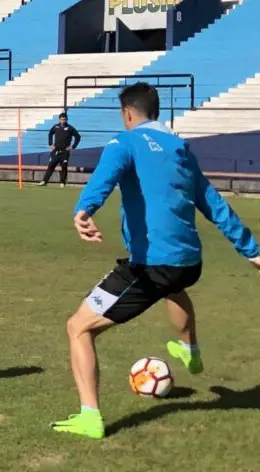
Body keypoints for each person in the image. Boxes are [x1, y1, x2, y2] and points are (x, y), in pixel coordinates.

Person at [52, 82, 260, 440]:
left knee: (78, 328)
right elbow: (214, 203)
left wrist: (84, 210)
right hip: (188, 261)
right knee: (174, 288)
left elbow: (104, 178)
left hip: (152, 265)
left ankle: (90, 417)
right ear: (156, 112)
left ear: (127, 114)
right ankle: (190, 349)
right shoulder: (180, 149)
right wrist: (252, 250)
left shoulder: (124, 141)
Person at [37, 112, 81, 188]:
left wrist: (73, 146)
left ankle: (62, 182)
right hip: (56, 150)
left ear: (67, 120)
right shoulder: (56, 127)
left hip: (65, 151)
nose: (63, 121)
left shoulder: (70, 128)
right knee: (51, 165)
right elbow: (50, 133)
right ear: (59, 120)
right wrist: (50, 144)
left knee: (64, 166)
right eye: (61, 119)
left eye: (64, 119)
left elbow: (78, 137)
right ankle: (44, 181)